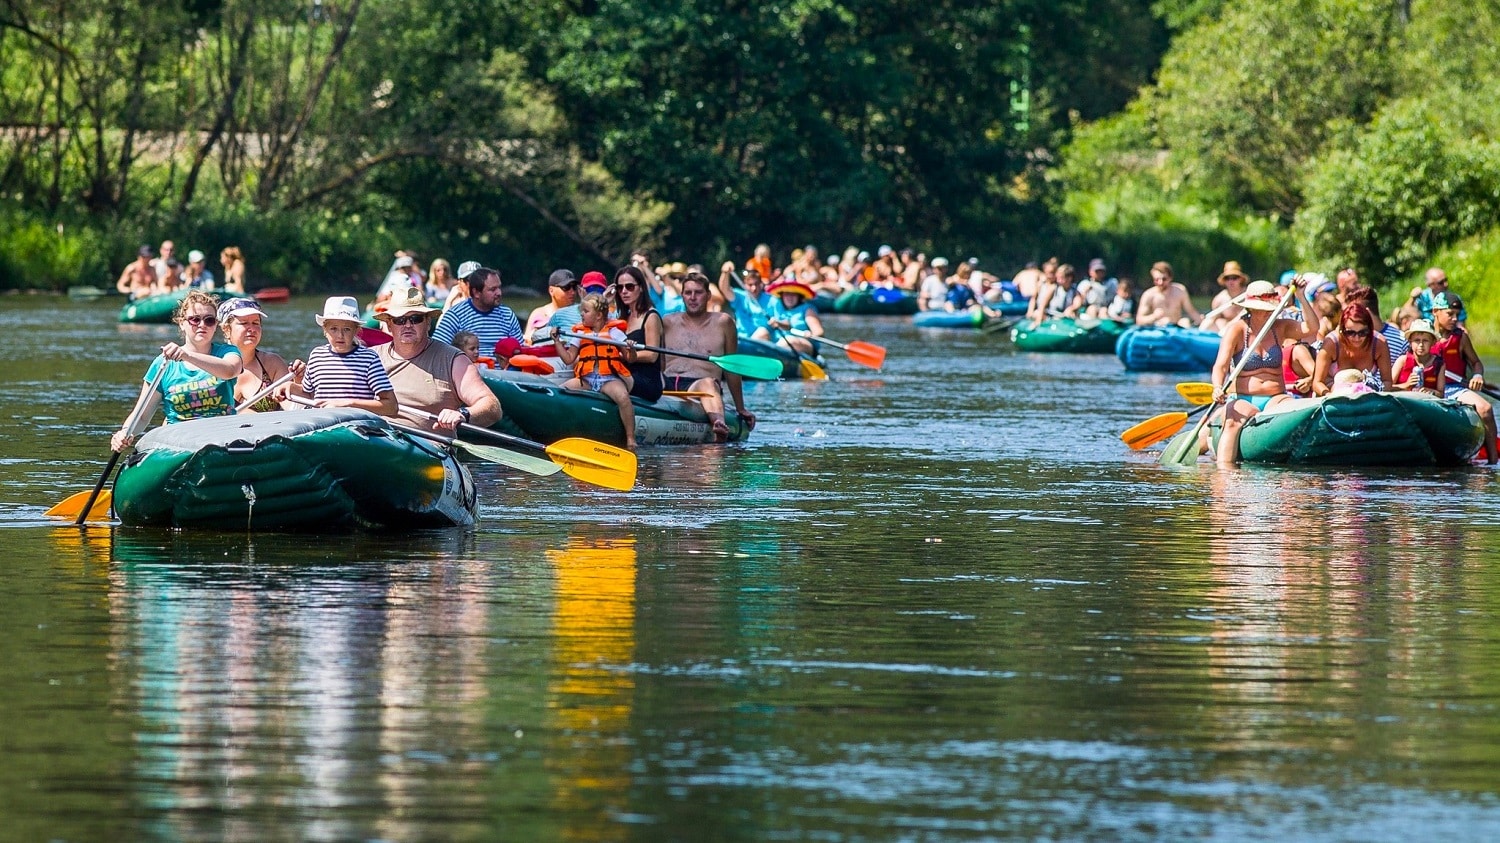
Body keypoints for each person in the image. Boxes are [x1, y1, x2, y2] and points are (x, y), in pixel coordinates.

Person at [110, 290, 244, 451]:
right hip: (180, 443)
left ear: (215, 325)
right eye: (195, 319)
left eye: (209, 320)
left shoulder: (228, 352)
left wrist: (187, 355)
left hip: (221, 439)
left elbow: (230, 371)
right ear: (182, 323)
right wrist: (125, 433)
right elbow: (142, 416)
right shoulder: (163, 363)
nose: (202, 325)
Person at [1210, 279, 1317, 466]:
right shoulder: (1237, 330)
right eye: (1264, 308)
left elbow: (1312, 328)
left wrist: (1301, 296)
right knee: (1232, 422)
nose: (1269, 312)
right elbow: (1221, 366)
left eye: (1271, 308)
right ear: (1251, 308)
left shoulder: (1280, 327)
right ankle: (1224, 472)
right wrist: (1218, 387)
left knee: (1293, 410)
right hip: (1244, 398)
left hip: (1276, 397)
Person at [372, 285, 500, 433]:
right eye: (399, 320)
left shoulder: (454, 360)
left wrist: (463, 414)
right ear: (389, 325)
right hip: (375, 440)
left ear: (428, 323)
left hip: (429, 445)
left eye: (415, 319)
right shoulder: (370, 356)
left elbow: (492, 406)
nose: (407, 325)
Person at [661, 273, 756, 439]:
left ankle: (718, 424)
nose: (692, 297)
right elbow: (657, 361)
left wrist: (740, 408)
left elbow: (731, 368)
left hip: (699, 388)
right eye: (688, 293)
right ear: (682, 295)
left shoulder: (723, 323)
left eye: (698, 292)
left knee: (708, 383)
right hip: (666, 383)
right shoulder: (667, 322)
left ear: (708, 295)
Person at [553, 294, 638, 449]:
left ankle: (630, 438)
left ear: (598, 315)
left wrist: (631, 349)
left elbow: (630, 359)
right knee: (561, 390)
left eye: (586, 311)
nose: (582, 314)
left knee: (623, 397)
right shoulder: (579, 334)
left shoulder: (614, 333)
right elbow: (568, 359)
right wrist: (556, 341)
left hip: (608, 379)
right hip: (586, 379)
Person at [291, 296, 397, 415]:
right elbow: (308, 395)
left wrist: (348, 404)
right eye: (334, 329)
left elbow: (391, 406)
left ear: (356, 330)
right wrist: (290, 387)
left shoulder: (369, 359)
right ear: (325, 329)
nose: (340, 335)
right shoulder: (316, 355)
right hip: (321, 422)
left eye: (346, 329)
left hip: (356, 423)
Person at [1429, 291, 1497, 462]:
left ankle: (1493, 462)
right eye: (1450, 314)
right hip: (1429, 388)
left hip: (1455, 388)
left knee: (1486, 409)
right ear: (1435, 311)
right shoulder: (1423, 336)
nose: (1454, 319)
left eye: (1457, 315)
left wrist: (1477, 376)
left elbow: (1476, 362)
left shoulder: (1461, 337)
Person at [218, 297, 294, 413]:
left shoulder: (272, 364)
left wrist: (299, 381)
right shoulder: (211, 367)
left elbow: (292, 407)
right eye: (244, 323)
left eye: (256, 323)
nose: (252, 329)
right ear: (226, 329)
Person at [432, 266, 521, 356]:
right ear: (476, 293)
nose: (499, 293)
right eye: (492, 289)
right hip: (466, 364)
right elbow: (435, 349)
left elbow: (520, 350)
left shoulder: (507, 315)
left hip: (501, 365)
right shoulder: (455, 315)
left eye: (499, 288)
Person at [609, 265, 664, 404]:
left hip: (647, 381)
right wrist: (605, 301)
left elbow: (652, 355)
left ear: (641, 288)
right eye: (620, 288)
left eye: (629, 287)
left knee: (608, 379)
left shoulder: (651, 316)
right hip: (625, 372)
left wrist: (623, 356)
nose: (624, 291)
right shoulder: (622, 317)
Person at [1312, 302, 1392, 395]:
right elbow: (1317, 383)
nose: (1357, 338)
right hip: (1331, 395)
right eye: (1350, 333)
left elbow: (1387, 381)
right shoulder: (1331, 343)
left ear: (1370, 330)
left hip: (1367, 396)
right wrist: (1330, 396)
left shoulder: (1379, 343)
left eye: (1362, 332)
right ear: (1342, 330)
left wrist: (1376, 395)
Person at [765, 276, 824, 356]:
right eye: (787, 294)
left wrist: (810, 335)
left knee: (789, 340)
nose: (789, 298)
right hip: (782, 345)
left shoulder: (807, 309)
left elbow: (819, 332)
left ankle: (771, 355)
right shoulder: (778, 308)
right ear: (782, 296)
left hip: (805, 345)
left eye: (793, 295)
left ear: (799, 296)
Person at [1135, 261, 1203, 327]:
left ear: (1170, 278)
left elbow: (1191, 311)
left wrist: (1200, 320)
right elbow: (1139, 320)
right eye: (1157, 279)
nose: (1160, 282)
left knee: (1185, 321)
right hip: (1158, 329)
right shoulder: (1148, 295)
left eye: (1164, 279)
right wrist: (1154, 316)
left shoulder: (1180, 291)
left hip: (1176, 327)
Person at [719, 262, 773, 339]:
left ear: (761, 284)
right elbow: (724, 289)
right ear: (745, 285)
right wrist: (725, 273)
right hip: (742, 340)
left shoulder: (772, 300)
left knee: (763, 332)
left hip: (763, 342)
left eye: (756, 284)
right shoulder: (740, 297)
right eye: (750, 285)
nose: (754, 288)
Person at [524, 269, 579, 343]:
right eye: (566, 287)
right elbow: (526, 341)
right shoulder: (538, 313)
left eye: (574, 287)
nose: (572, 292)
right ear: (551, 290)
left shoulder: (582, 312)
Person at [1201, 260, 1249, 332]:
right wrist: (1201, 330)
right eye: (1227, 278)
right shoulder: (1219, 299)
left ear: (1240, 279)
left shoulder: (1249, 295)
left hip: (1246, 329)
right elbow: (1212, 319)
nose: (1231, 281)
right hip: (1226, 331)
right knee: (1219, 322)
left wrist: (1228, 327)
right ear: (1224, 281)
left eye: (1234, 278)